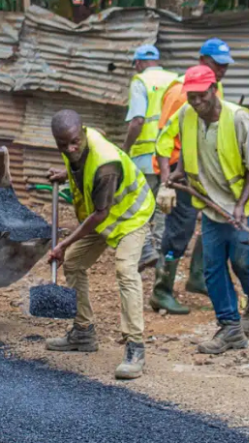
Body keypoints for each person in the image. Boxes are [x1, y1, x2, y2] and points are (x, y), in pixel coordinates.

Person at [160, 65, 249, 354]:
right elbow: (186, 145)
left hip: (244, 201)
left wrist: (240, 205)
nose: (196, 103)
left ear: (213, 90)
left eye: (201, 97)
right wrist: (178, 172)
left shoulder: (238, 119)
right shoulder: (187, 114)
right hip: (210, 203)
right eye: (191, 97)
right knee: (212, 267)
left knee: (243, 260)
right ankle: (230, 327)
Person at [45, 110, 155, 380]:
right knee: (73, 263)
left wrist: (62, 243)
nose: (70, 149)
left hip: (130, 217)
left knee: (125, 271)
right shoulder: (77, 142)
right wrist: (65, 173)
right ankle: (83, 333)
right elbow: (81, 167)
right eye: (63, 145)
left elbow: (100, 214)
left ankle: (135, 348)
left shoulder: (106, 164)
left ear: (82, 132)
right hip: (103, 217)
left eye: (74, 142)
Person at [151, 37, 236, 314]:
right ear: (203, 60)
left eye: (225, 66)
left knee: (213, 218)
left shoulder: (216, 87)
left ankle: (197, 277)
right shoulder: (181, 94)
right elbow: (163, 140)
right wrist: (168, 182)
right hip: (179, 170)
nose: (222, 70)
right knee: (179, 231)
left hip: (202, 169)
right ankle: (161, 290)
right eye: (217, 64)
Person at [122, 44, 179, 272]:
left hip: (146, 157)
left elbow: (137, 120)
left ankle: (145, 251)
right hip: (171, 156)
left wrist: (125, 147)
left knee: (139, 205)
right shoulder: (175, 80)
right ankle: (159, 255)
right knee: (163, 206)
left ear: (138, 63)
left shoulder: (140, 82)